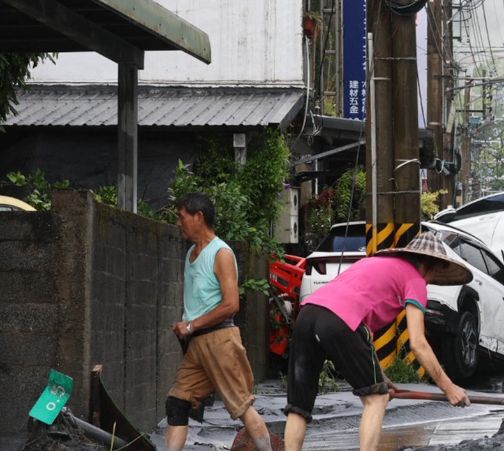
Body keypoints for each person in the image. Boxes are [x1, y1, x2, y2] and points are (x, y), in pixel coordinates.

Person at [284, 231, 472, 451]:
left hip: (308, 315)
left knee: (299, 407)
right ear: (433, 265)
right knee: (376, 399)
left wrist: (380, 378)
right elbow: (418, 344)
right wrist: (449, 388)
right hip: (340, 321)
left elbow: (362, 343)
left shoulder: (374, 263)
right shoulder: (415, 279)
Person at [165, 193, 273, 451]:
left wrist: (191, 325)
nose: (179, 223)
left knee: (242, 406)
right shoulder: (191, 252)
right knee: (177, 403)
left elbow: (231, 305)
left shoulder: (221, 253)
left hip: (220, 341)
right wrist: (188, 327)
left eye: (182, 217)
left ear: (198, 217)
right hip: (197, 345)